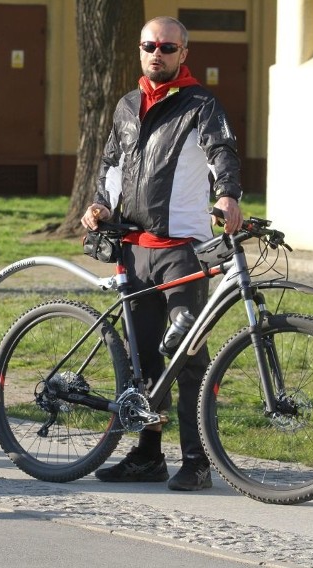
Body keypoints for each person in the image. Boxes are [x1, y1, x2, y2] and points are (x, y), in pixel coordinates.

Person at [81, 16, 244, 491]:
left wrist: (228, 194)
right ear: (139, 50)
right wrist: (99, 205)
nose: (158, 53)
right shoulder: (127, 105)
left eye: (168, 48)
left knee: (188, 354)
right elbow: (111, 164)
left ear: (183, 54)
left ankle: (196, 462)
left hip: (181, 251)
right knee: (143, 359)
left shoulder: (200, 104)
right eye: (150, 45)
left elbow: (223, 152)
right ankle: (147, 455)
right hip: (133, 249)